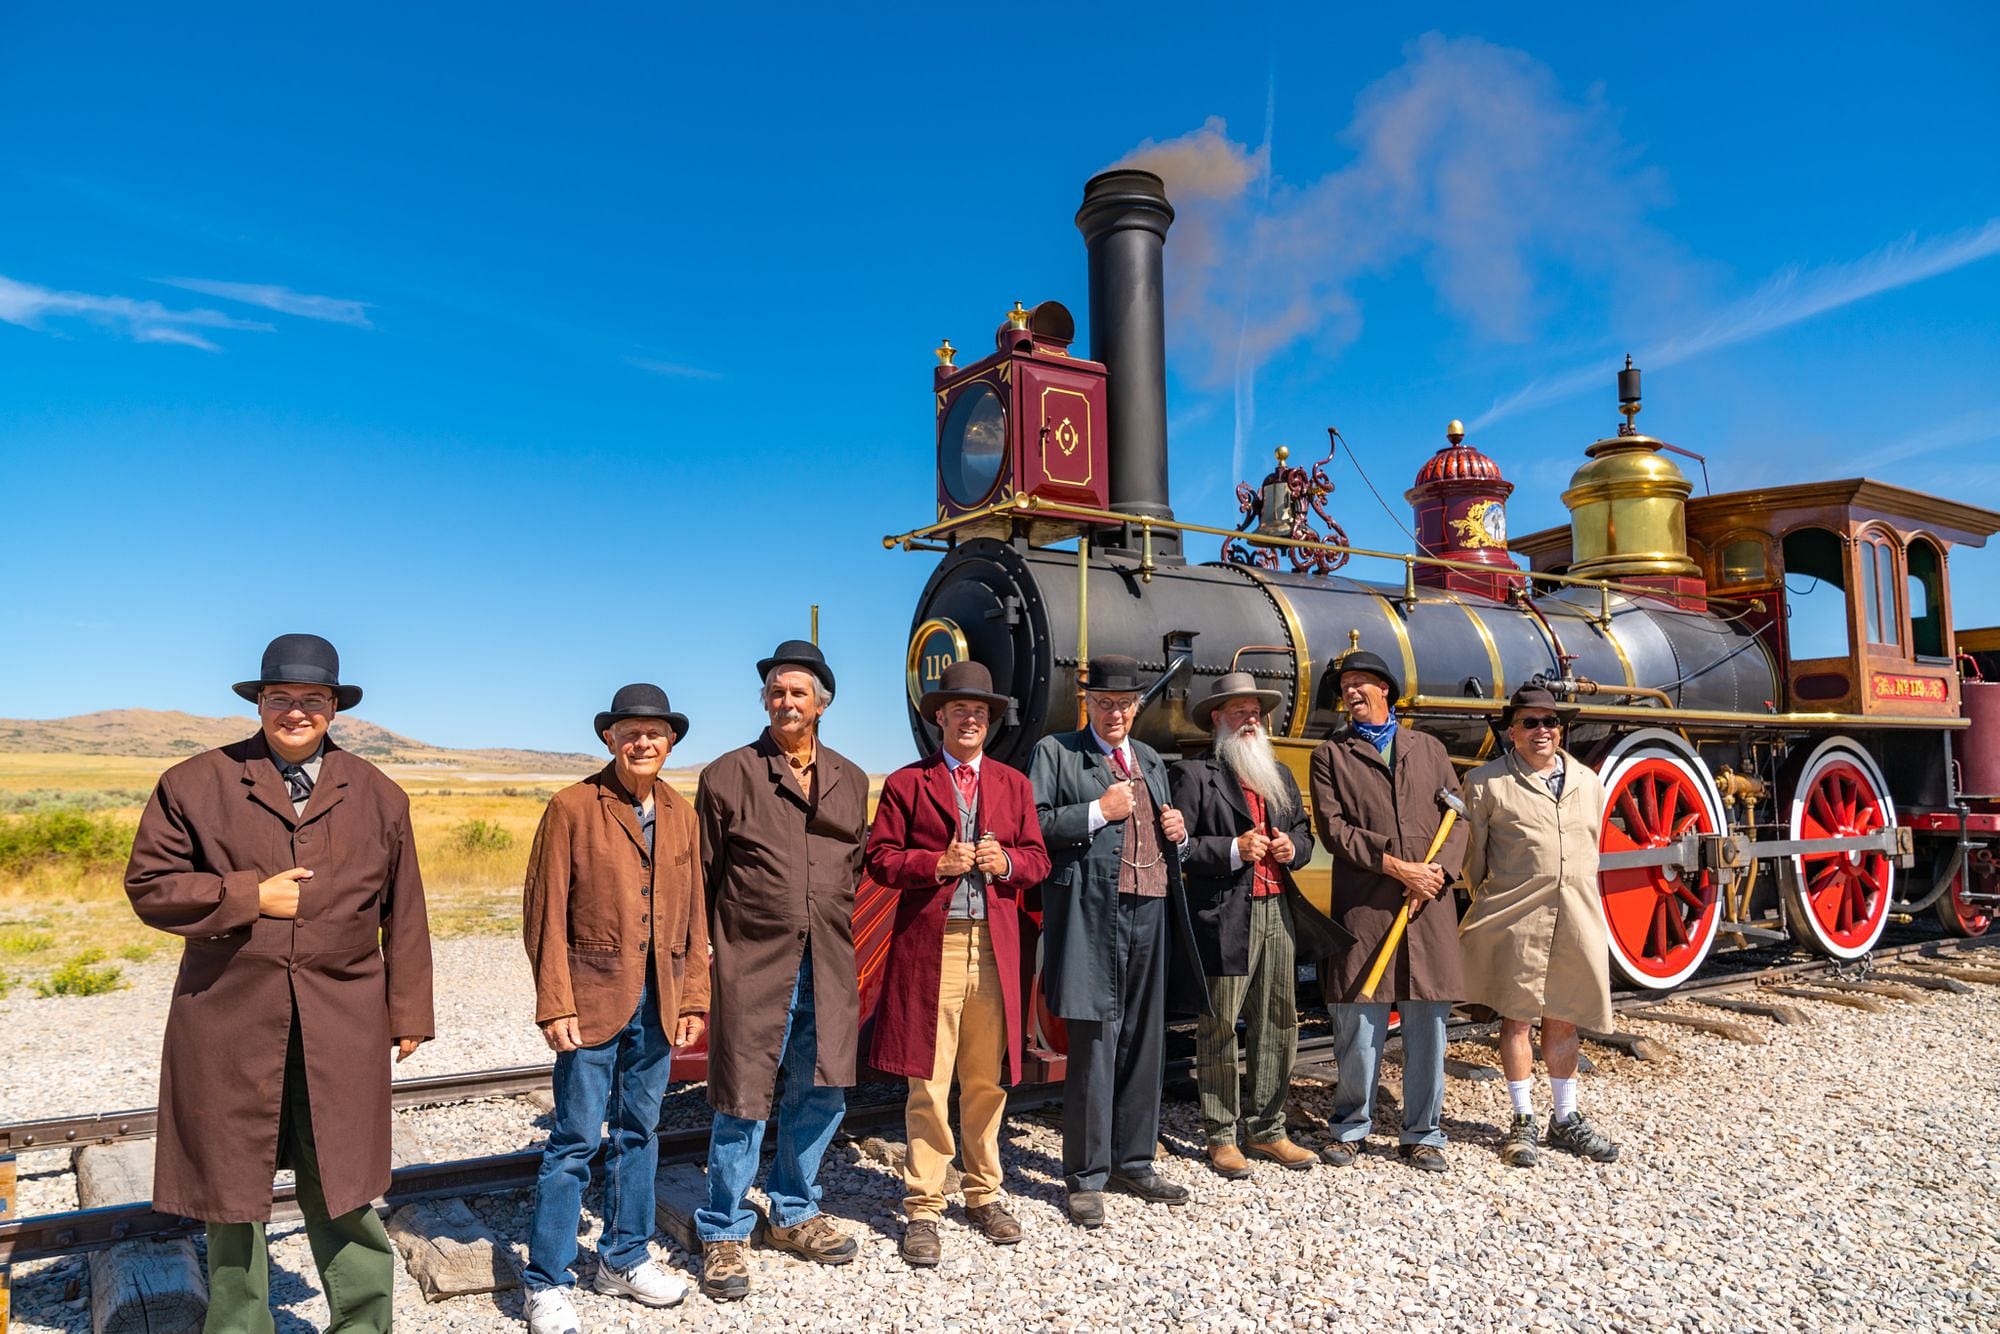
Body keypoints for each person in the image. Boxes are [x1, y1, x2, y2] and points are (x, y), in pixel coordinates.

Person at [123, 633, 432, 1334]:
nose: (297, 711)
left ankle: (363, 1324)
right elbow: (149, 886)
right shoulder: (193, 783)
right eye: (282, 698)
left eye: (312, 700)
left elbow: (404, 911)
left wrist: (408, 1010)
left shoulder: (380, 796)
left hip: (343, 1020)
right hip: (229, 1017)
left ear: (334, 707)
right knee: (230, 1191)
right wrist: (248, 896)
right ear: (260, 702)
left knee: (346, 1182)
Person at [520, 684, 710, 1332]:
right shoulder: (573, 807)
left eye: (654, 733)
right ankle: (545, 1281)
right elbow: (542, 912)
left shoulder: (682, 815)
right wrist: (554, 1003)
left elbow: (693, 913)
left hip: (660, 1002)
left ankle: (623, 1258)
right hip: (592, 1000)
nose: (643, 742)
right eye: (630, 732)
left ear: (671, 741)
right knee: (572, 1141)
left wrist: (693, 996)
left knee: (640, 1134)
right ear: (609, 738)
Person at [692, 640, 868, 1300]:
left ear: (821, 703)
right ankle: (725, 1229)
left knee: (821, 1089)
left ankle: (795, 1212)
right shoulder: (728, 775)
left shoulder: (851, 780)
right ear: (765, 701)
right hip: (753, 961)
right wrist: (703, 955)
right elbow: (705, 874)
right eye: (775, 691)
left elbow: (849, 868)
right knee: (743, 1094)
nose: (786, 700)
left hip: (827, 956)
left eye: (798, 691)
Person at [865, 660, 1051, 1266]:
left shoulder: (1013, 785)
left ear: (990, 722)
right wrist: (934, 865)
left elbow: (1038, 862)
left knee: (985, 1079)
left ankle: (984, 1193)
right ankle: (922, 1205)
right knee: (929, 1079)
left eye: (980, 712)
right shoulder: (905, 783)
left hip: (996, 947)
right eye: (959, 710)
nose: (970, 719)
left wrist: (1006, 865)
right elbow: (881, 859)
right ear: (939, 717)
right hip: (934, 945)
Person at [1028, 654, 1208, 1227]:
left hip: (1150, 910)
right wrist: (1096, 811)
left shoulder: (1151, 761)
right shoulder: (1057, 753)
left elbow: (1166, 839)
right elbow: (1033, 826)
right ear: (1088, 704)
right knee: (1093, 1045)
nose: (1115, 713)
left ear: (1136, 707)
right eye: (1104, 703)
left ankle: (1134, 1159)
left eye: (1124, 704)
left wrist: (1179, 836)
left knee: (1143, 1039)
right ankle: (1084, 1176)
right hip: (1091, 911)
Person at [1171, 670, 1342, 1179]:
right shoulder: (1195, 774)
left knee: (1279, 1021)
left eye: (1256, 713)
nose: (1251, 721)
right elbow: (1179, 849)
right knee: (1221, 1025)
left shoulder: (1279, 775)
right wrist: (1232, 849)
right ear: (1218, 719)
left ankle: (1268, 1129)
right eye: (1239, 712)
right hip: (1226, 914)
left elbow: (1304, 835)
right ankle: (1221, 1135)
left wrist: (1295, 850)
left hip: (1277, 911)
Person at [1307, 647, 1466, 1173]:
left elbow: (1458, 818)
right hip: (1367, 907)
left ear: (1385, 691)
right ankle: (1351, 1127)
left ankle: (1423, 1133)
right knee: (1359, 1020)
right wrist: (1401, 869)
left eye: (1361, 683)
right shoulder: (1331, 755)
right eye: (1345, 685)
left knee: (1428, 1024)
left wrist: (1437, 871)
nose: (1351, 692)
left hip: (1428, 908)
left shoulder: (1429, 749)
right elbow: (1335, 831)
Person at [1460, 685, 1620, 1167]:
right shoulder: (1486, 783)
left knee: (1565, 1014)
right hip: (1517, 911)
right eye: (1530, 722)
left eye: (1549, 721)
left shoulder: (1589, 781)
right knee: (1517, 1016)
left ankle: (1566, 1119)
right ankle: (1523, 1118)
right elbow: (1474, 862)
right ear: (1512, 731)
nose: (1542, 731)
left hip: (1576, 910)